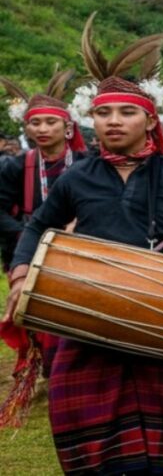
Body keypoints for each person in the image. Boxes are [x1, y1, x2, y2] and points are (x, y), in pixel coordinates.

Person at [1, 14, 163, 472]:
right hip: (90, 309)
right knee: (89, 429)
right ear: (91, 120)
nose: (114, 121)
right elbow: (36, 226)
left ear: (149, 118)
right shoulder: (77, 178)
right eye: (103, 113)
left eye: (126, 112)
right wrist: (22, 274)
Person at [0, 68, 89, 387]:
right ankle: (39, 372)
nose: (42, 128)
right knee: (32, 315)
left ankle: (71, 371)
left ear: (68, 128)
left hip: (76, 249)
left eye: (50, 122)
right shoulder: (14, 166)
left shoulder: (86, 163)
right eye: (34, 122)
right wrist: (26, 236)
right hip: (26, 246)